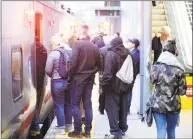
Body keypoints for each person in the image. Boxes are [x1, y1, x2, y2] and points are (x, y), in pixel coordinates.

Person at [68, 24, 101, 138]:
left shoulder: (77, 44)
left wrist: (70, 77)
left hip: (78, 79)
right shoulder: (94, 47)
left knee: (75, 104)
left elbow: (73, 63)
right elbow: (99, 65)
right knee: (88, 104)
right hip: (89, 80)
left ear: (80, 33)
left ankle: (77, 131)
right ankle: (87, 131)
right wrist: (91, 73)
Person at [148, 39, 187, 139]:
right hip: (173, 106)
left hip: (158, 104)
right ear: (174, 53)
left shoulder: (156, 67)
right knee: (171, 130)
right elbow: (182, 91)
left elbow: (152, 81)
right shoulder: (179, 70)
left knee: (161, 130)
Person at [100, 36, 133, 139]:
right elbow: (134, 69)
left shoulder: (111, 54)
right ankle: (123, 127)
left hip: (112, 87)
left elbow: (108, 73)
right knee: (124, 107)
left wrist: (102, 84)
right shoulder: (129, 54)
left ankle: (115, 131)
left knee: (112, 108)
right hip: (125, 85)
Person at [45, 33, 72, 135]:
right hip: (69, 82)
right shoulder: (70, 52)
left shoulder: (53, 54)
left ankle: (61, 127)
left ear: (54, 43)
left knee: (59, 105)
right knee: (68, 104)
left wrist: (53, 76)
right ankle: (69, 126)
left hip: (57, 82)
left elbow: (47, 69)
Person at [29, 36, 47, 138]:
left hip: (32, 80)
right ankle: (36, 127)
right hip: (40, 80)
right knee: (36, 103)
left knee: (32, 104)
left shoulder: (31, 48)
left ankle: (35, 127)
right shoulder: (43, 49)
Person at [126, 38, 140, 114]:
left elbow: (133, 66)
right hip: (131, 75)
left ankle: (127, 108)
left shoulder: (134, 54)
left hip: (130, 76)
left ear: (133, 44)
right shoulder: (133, 52)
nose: (128, 44)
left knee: (128, 91)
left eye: (130, 43)